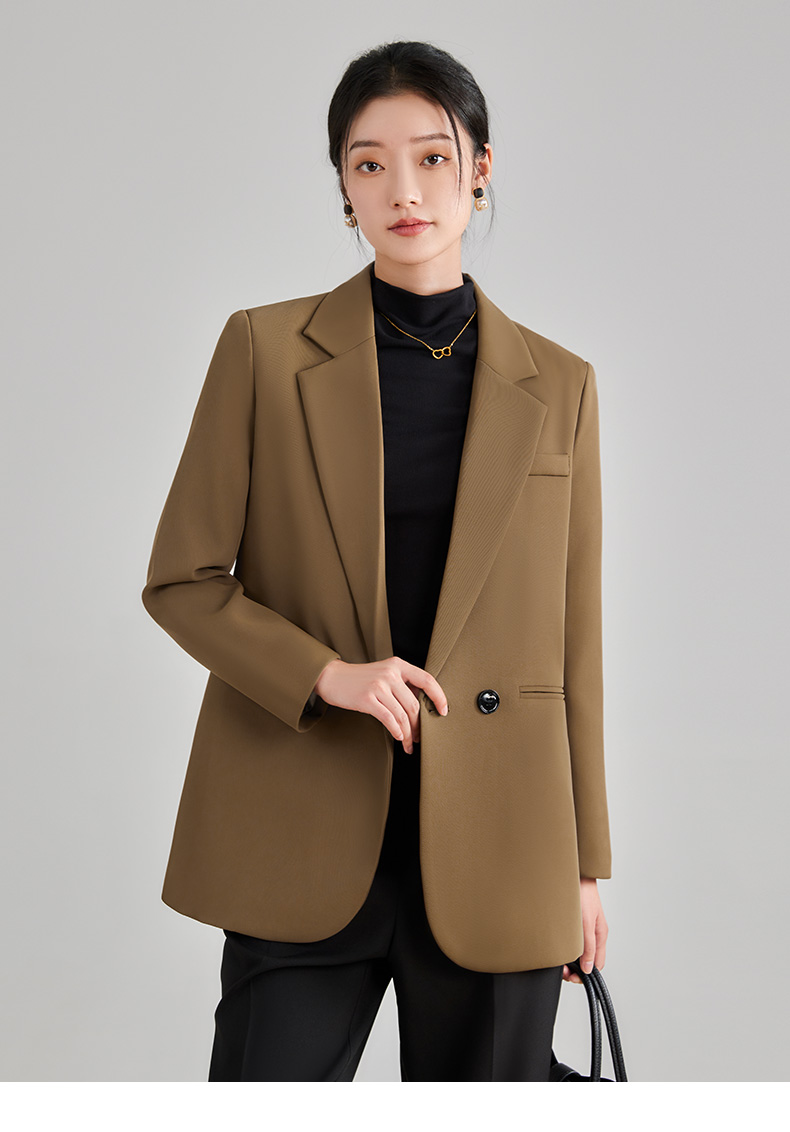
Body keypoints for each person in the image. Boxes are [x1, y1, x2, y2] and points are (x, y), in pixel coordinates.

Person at [142, 39, 612, 1082]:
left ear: (480, 169)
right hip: (300, 833)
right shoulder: (264, 352)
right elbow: (181, 581)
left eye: (433, 158)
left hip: (503, 846)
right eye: (369, 163)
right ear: (343, 186)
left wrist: (582, 866)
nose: (403, 190)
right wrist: (326, 675)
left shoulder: (561, 386)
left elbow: (572, 651)